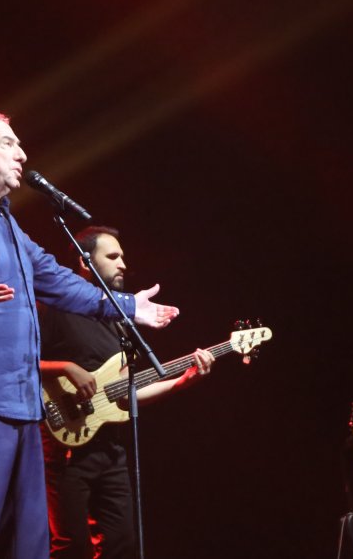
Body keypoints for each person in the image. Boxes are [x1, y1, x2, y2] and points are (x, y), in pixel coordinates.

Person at [0, 111, 180, 558]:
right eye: (8, 143)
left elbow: (57, 279)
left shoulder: (7, 224)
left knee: (32, 543)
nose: (21, 154)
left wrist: (131, 307)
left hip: (23, 405)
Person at [38, 226, 214, 559]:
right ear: (84, 262)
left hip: (111, 450)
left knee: (123, 545)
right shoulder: (55, 309)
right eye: (113, 256)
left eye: (123, 257)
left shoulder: (119, 321)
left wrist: (183, 381)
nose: (122, 264)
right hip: (66, 452)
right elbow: (19, 363)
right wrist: (65, 368)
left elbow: (126, 394)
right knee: (72, 547)